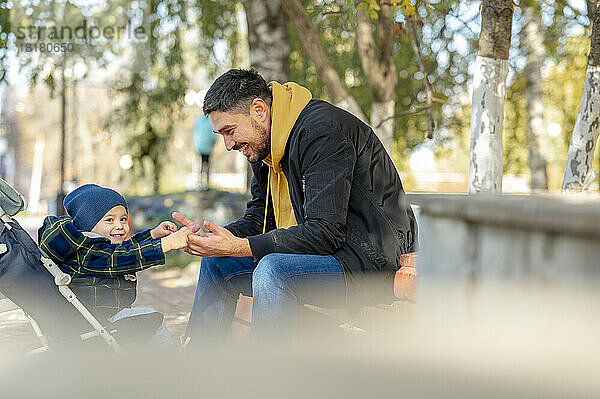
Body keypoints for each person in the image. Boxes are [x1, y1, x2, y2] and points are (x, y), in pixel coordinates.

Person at [175, 69, 417, 345]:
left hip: (370, 261)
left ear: (258, 109)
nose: (228, 144)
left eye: (230, 131)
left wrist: (241, 246)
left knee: (273, 271)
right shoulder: (265, 145)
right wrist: (212, 240)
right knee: (216, 262)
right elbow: (259, 220)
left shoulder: (321, 132)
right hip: (328, 255)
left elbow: (326, 232)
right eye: (221, 135)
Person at [38, 184, 191, 344]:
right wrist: (166, 244)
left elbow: (124, 248)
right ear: (88, 224)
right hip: (94, 320)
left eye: (123, 219)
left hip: (99, 314)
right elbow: (122, 257)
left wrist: (153, 235)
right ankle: (168, 360)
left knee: (146, 314)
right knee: (154, 319)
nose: (119, 225)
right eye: (109, 220)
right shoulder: (85, 253)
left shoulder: (92, 245)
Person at [192, 114, 217, 190]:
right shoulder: (210, 121)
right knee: (207, 165)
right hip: (207, 147)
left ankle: (199, 183)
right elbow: (214, 134)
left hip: (199, 146)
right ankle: (206, 183)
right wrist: (213, 144)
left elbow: (194, 132)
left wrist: (195, 144)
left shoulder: (198, 120)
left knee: (200, 165)